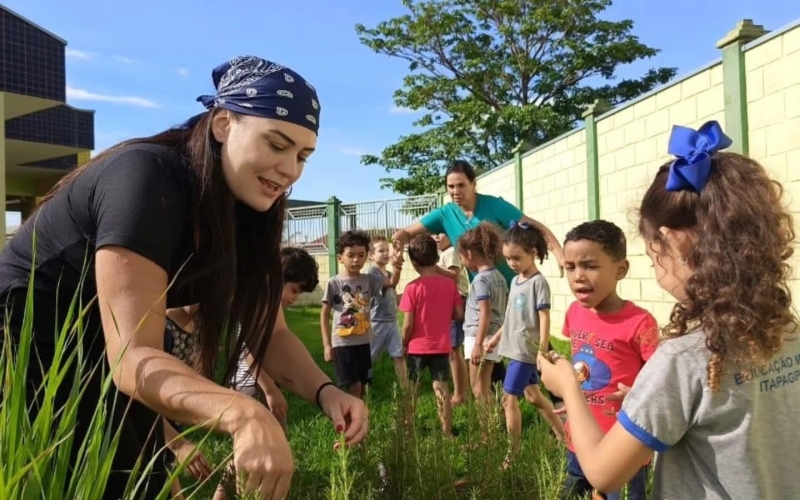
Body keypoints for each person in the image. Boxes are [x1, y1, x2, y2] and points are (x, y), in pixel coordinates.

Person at [0, 56, 368, 500]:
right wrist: (242, 413)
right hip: (27, 354)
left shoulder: (252, 214)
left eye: (302, 156)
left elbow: (269, 333)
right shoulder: (146, 178)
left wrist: (327, 392)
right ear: (223, 124)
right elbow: (130, 355)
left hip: (108, 359)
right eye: (276, 144)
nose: (290, 169)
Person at [538, 121, 800, 499]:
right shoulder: (786, 331)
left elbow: (602, 474)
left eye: (650, 253)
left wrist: (567, 388)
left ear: (669, 240)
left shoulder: (684, 357)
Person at [391, 160, 565, 406]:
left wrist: (558, 250)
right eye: (450, 186)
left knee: (532, 340)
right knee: (493, 347)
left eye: (461, 185)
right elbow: (407, 232)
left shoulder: (495, 206)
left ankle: (559, 397)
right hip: (485, 293)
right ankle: (505, 401)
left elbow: (532, 226)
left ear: (474, 184)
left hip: (516, 287)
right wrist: (397, 242)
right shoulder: (445, 213)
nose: (455, 191)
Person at [555, 220, 657, 500]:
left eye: (590, 265)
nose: (578, 276)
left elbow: (659, 383)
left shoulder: (640, 323)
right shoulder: (574, 312)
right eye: (570, 267)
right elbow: (579, 364)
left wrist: (637, 395)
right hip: (578, 439)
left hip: (622, 448)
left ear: (620, 270)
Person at [484, 221, 565, 464]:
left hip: (525, 352)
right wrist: (496, 338)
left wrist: (541, 350)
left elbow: (544, 317)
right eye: (507, 258)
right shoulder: (516, 280)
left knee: (509, 399)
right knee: (533, 397)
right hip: (512, 347)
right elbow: (510, 315)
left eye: (516, 258)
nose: (512, 263)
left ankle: (513, 452)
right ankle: (563, 435)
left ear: (533, 253)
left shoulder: (538, 283)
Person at [322, 230, 403, 398]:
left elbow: (392, 282)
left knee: (364, 386)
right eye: (351, 255)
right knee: (354, 386)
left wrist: (397, 266)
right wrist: (327, 345)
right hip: (342, 343)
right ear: (340, 258)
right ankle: (352, 417)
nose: (356, 260)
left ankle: (362, 417)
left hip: (364, 342)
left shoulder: (369, 280)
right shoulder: (333, 283)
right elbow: (324, 314)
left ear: (367, 256)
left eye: (360, 255)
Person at [399, 234, 464, 436]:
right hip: (441, 346)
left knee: (413, 389)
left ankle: (408, 430)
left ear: (414, 263)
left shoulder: (412, 288)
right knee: (442, 388)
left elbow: (408, 324)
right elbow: (459, 314)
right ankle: (446, 432)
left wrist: (403, 343)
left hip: (417, 348)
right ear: (436, 258)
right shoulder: (449, 285)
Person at [457, 223, 508, 398]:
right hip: (493, 338)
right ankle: (496, 420)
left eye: (461, 257)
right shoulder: (499, 277)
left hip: (480, 338)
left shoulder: (480, 280)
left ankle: (486, 425)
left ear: (469, 254)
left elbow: (484, 312)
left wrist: (477, 345)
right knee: (485, 386)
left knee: (478, 388)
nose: (461, 262)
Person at [433, 233, 470, 405]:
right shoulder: (444, 253)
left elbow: (454, 277)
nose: (436, 238)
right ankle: (464, 390)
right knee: (453, 350)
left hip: (456, 302)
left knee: (455, 350)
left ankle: (459, 394)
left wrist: (434, 267)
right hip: (448, 303)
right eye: (433, 234)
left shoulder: (451, 252)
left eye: (440, 233)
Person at [367, 235, 407, 383]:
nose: (385, 253)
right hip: (376, 322)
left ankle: (405, 387)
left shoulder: (389, 273)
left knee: (399, 354)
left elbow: (393, 297)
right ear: (371, 255)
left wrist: (410, 293)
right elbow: (391, 283)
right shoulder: (371, 274)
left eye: (386, 250)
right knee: (369, 356)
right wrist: (398, 265)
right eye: (380, 251)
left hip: (392, 321)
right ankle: (364, 383)